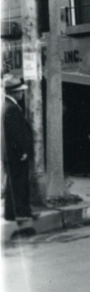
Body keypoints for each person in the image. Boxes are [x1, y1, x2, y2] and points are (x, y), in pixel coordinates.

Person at [2, 74, 34, 223]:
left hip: (10, 153)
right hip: (15, 154)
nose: (22, 93)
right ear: (14, 92)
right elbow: (14, 134)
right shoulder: (11, 109)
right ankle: (16, 212)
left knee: (13, 182)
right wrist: (22, 152)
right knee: (17, 183)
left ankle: (13, 212)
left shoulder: (7, 106)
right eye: (20, 91)